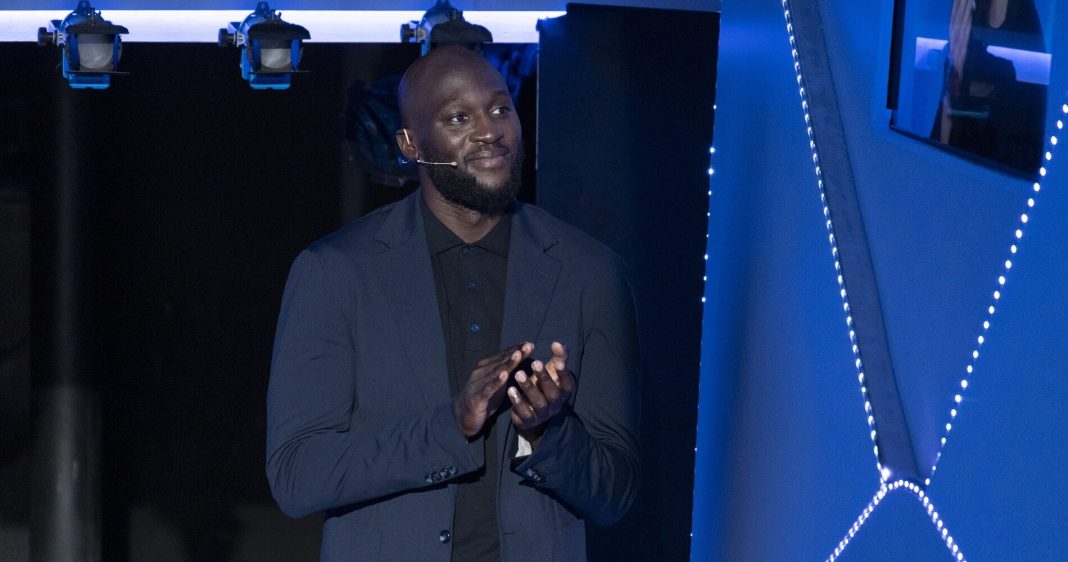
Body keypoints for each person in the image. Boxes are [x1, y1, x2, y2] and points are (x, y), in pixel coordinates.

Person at [266, 45, 640, 561]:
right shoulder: (335, 272)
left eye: (500, 108)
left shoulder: (589, 271)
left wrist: (544, 433)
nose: (490, 131)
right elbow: (297, 476)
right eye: (459, 117)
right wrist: (453, 425)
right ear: (410, 142)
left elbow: (615, 493)